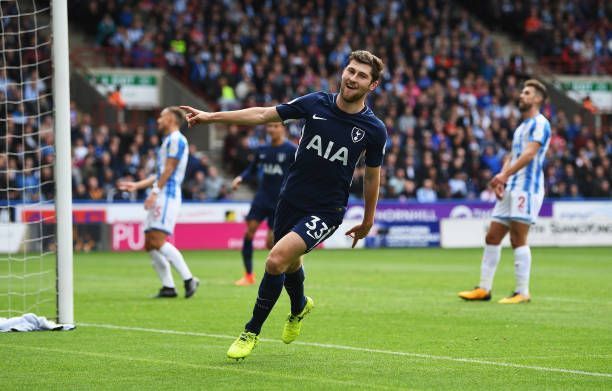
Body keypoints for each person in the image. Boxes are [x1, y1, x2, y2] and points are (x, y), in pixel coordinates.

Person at [181, 50, 387, 360]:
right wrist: (212, 116)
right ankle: (299, 307)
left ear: (372, 86)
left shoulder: (373, 130)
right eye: (350, 70)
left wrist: (368, 220)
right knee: (291, 262)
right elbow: (263, 115)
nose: (352, 78)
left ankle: (250, 331)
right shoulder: (316, 102)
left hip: (326, 210)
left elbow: (372, 178)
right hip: (290, 199)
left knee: (276, 259)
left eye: (361, 75)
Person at [458, 79, 551, 304]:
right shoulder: (521, 127)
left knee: (518, 237)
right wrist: (502, 177)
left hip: (527, 189)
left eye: (527, 93)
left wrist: (505, 175)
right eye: (522, 92)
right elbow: (512, 155)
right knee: (492, 236)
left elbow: (529, 155)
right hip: (512, 186)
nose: (521, 95)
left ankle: (522, 291)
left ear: (538, 99)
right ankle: (484, 288)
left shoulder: (540, 123)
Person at [118, 107, 199, 299]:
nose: (158, 120)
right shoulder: (168, 141)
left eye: (162, 116)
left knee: (157, 240)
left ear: (171, 118)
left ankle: (188, 279)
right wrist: (137, 185)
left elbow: (169, 170)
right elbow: (160, 173)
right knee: (149, 243)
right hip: (161, 192)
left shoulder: (176, 139)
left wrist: (154, 192)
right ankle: (168, 287)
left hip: (167, 195)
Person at [231, 122, 297, 286]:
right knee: (249, 233)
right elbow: (252, 169)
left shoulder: (291, 150)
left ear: (283, 129)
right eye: (269, 127)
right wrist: (241, 178)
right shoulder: (262, 149)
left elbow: (300, 171)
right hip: (262, 197)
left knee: (271, 243)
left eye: (275, 126)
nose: (272, 129)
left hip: (280, 201)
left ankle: (283, 272)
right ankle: (248, 275)